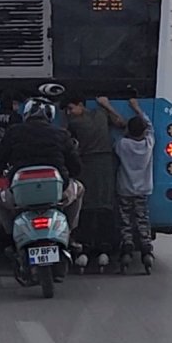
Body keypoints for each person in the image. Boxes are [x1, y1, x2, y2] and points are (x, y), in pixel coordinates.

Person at [0, 98, 84, 239]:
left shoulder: (13, 132)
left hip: (19, 198)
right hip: (58, 195)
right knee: (79, 189)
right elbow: (76, 168)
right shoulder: (61, 134)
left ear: (26, 113)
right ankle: (69, 232)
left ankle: (11, 236)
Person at [63, 94, 127, 250]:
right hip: (106, 164)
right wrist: (107, 105)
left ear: (80, 104)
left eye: (70, 108)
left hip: (86, 164)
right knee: (106, 203)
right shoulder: (101, 114)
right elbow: (121, 123)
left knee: (86, 204)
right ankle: (106, 242)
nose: (69, 112)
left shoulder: (73, 123)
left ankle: (86, 241)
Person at [114, 114, 155, 267]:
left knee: (125, 220)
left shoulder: (122, 144)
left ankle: (127, 247)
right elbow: (150, 127)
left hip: (124, 188)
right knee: (142, 218)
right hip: (143, 189)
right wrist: (136, 106)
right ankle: (146, 248)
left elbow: (119, 141)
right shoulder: (148, 144)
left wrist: (124, 128)